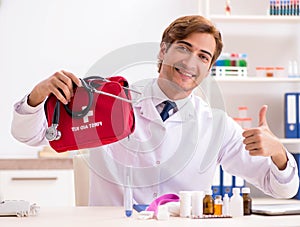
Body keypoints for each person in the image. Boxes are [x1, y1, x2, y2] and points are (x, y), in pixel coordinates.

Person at [11, 15, 299, 206]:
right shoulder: (108, 102)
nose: (190, 62)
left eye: (203, 56)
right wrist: (38, 97)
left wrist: (278, 152)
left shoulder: (217, 125)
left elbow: (283, 189)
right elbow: (32, 136)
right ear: (163, 51)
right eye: (183, 48)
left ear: (209, 69)